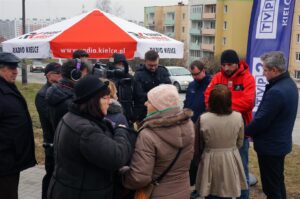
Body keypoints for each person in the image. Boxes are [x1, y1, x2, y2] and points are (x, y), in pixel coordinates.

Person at [47, 75, 136, 199]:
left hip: (68, 189)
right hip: (81, 193)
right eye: (105, 97)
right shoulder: (86, 130)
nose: (109, 101)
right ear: (93, 101)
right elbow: (117, 156)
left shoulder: (71, 116)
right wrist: (121, 129)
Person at [123, 84, 195, 199]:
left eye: (149, 101)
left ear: (159, 106)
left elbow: (140, 178)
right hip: (183, 190)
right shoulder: (189, 124)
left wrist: (123, 175)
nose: (145, 103)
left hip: (157, 193)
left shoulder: (148, 135)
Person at [245, 51, 298, 199]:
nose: (263, 73)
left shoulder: (277, 91)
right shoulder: (289, 84)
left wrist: (242, 131)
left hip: (270, 148)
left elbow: (261, 121)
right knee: (278, 182)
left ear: (274, 70)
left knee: (271, 188)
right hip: (279, 144)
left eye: (265, 69)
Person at [204, 49, 255, 199]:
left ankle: (243, 196)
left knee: (241, 169)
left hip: (240, 131)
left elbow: (248, 102)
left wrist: (222, 106)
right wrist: (228, 106)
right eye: (224, 65)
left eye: (230, 64)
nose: (226, 68)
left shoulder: (247, 78)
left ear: (237, 64)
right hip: (218, 131)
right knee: (219, 169)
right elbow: (207, 99)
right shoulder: (217, 77)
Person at [195, 84, 247, 199]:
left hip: (210, 158)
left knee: (211, 190)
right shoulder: (238, 117)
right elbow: (240, 141)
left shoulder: (203, 119)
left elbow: (198, 145)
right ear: (229, 100)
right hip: (230, 157)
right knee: (228, 190)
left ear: (211, 101)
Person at [0, 52, 37, 199]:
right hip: (4, 161)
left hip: (11, 160)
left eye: (16, 67)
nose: (16, 71)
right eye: (11, 67)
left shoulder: (8, 86)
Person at [184, 60, 211, 199]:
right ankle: (195, 186)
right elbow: (187, 104)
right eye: (192, 74)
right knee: (193, 158)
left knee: (204, 159)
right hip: (191, 126)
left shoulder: (211, 84)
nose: (194, 77)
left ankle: (205, 187)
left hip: (205, 126)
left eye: (197, 74)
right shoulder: (192, 85)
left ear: (203, 71)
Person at [35, 62, 62, 199]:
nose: (61, 76)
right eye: (58, 73)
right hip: (51, 141)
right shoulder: (42, 95)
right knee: (51, 174)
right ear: (49, 75)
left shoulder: (60, 91)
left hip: (60, 140)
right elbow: (51, 119)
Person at [46, 59, 89, 131]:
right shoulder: (70, 102)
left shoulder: (59, 91)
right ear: (75, 76)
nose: (86, 79)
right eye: (85, 76)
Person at [133, 50, 172, 123]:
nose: (153, 68)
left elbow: (169, 90)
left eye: (155, 65)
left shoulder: (162, 71)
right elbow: (139, 95)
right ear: (145, 62)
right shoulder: (138, 75)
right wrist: (159, 94)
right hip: (144, 112)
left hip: (161, 112)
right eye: (150, 65)